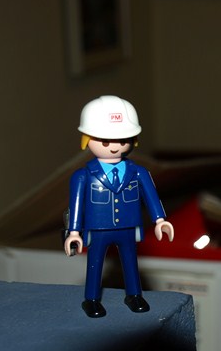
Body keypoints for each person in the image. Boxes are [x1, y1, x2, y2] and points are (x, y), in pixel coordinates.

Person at [64, 95, 174, 318]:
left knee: (130, 261)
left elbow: (151, 197)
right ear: (87, 140)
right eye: (105, 142)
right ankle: (92, 299)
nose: (115, 147)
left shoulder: (138, 172)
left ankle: (134, 294)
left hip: (128, 226)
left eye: (122, 141)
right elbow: (75, 205)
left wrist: (160, 220)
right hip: (98, 228)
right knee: (95, 263)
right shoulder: (83, 176)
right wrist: (73, 232)